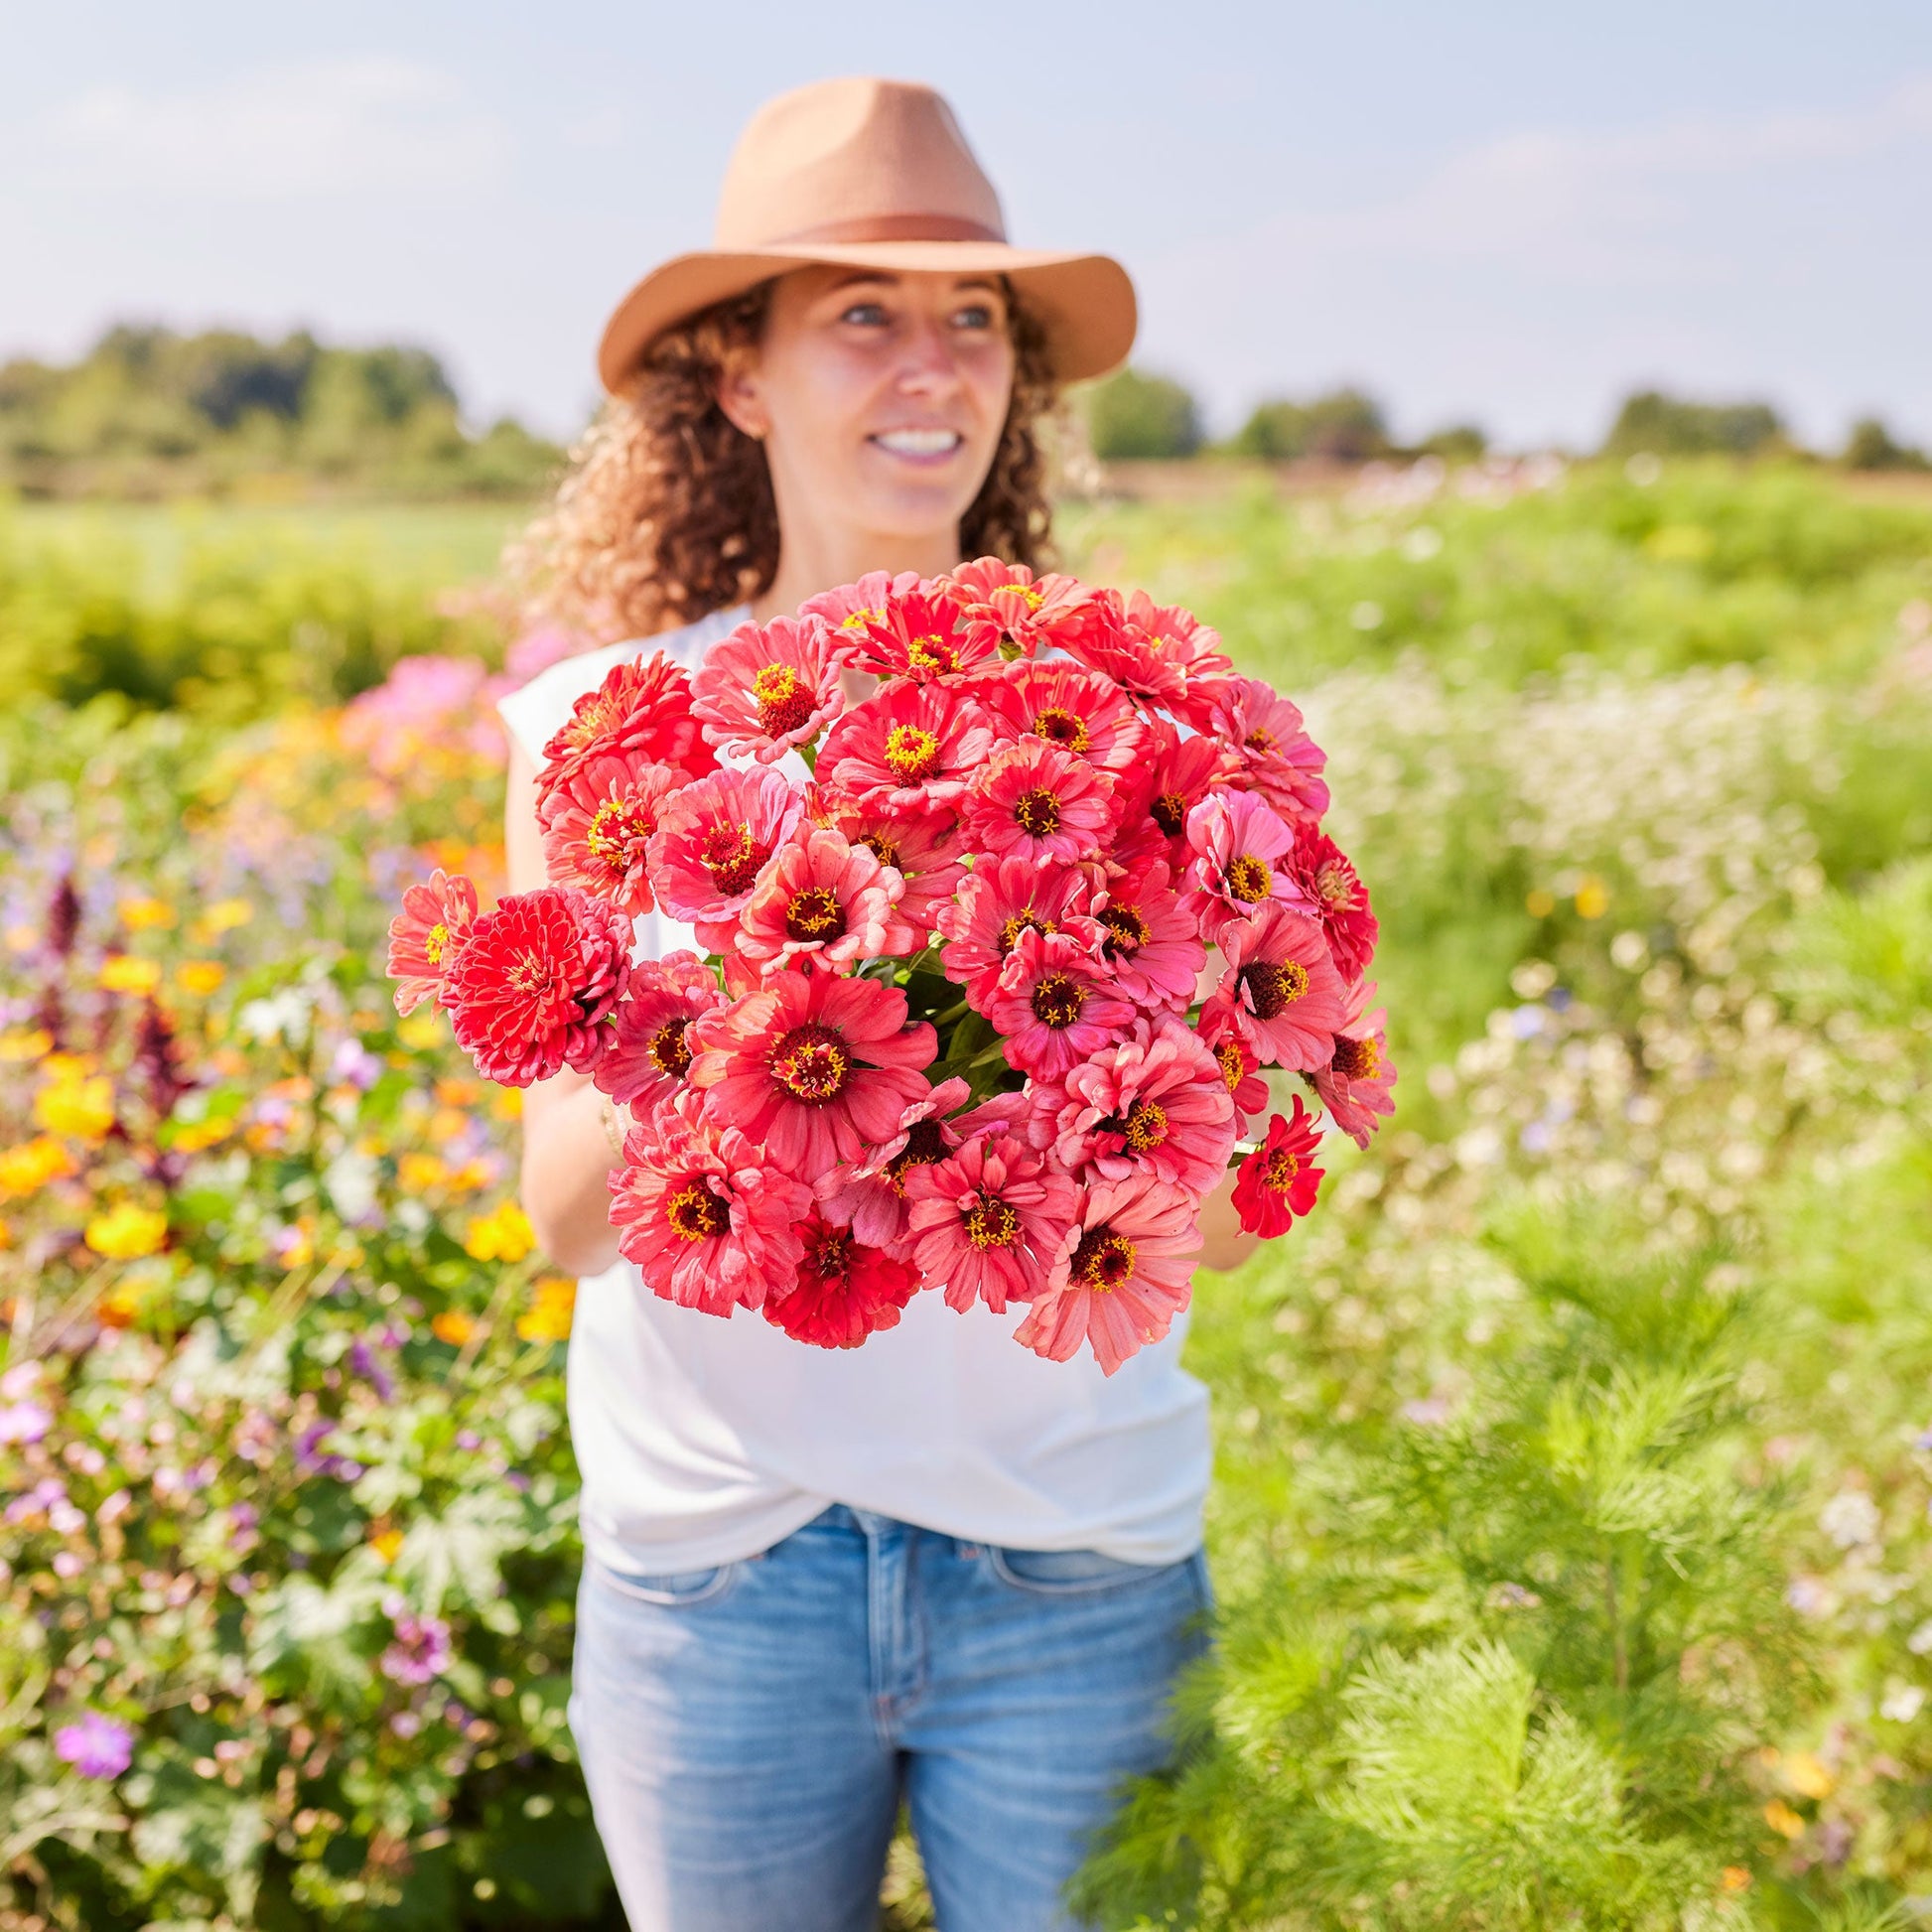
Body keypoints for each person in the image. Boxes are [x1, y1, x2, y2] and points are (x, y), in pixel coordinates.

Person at [494, 75, 1258, 1932]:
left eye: (972, 319)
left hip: (1071, 1561)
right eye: (860, 313)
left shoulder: (1123, 713)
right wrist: (797, 927)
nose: (932, 364)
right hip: (722, 1581)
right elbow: (575, 1218)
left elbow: (1219, 1221)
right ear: (738, 377)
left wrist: (1081, 1017)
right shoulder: (602, 734)